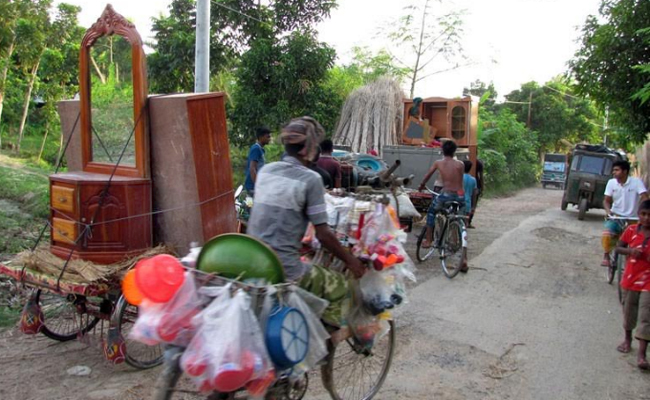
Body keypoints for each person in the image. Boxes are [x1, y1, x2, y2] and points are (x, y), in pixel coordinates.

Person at [247, 116, 365, 327]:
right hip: (285, 271)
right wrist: (351, 261)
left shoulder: (266, 172)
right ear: (308, 148)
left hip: (253, 263)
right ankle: (320, 342)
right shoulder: (311, 179)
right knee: (341, 286)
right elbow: (323, 234)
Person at [614, 199, 650, 370]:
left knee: (646, 316)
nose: (647, 218)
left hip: (648, 283)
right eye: (644, 214)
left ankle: (642, 354)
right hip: (630, 279)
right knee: (629, 312)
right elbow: (618, 248)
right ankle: (627, 339)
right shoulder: (631, 231)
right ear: (638, 215)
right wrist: (630, 251)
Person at [418, 141, 465, 258]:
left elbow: (427, 176)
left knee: (431, 212)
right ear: (455, 151)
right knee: (456, 216)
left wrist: (421, 185)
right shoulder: (460, 164)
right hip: (460, 196)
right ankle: (463, 258)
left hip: (446, 194)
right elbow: (459, 180)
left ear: (443, 150)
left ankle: (429, 240)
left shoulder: (438, 163)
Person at [602, 160, 648, 267]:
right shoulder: (611, 183)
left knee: (638, 239)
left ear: (625, 171)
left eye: (617, 170)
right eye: (613, 170)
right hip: (616, 216)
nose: (614, 172)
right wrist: (609, 212)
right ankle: (606, 255)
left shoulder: (636, 182)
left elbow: (645, 197)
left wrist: (642, 213)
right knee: (607, 234)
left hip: (633, 218)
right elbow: (606, 200)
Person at [244, 127, 271, 196]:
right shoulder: (256, 149)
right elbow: (252, 168)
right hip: (253, 186)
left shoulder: (260, 149)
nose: (269, 139)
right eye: (267, 137)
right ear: (261, 137)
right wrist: (258, 185)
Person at [468, 159, 483, 228]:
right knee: (473, 204)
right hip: (476, 184)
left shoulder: (465, 162)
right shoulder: (479, 163)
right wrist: (482, 187)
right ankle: (469, 221)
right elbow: (481, 176)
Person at [462, 160, 478, 226]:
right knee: (466, 223)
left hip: (459, 201)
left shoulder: (459, 177)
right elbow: (474, 194)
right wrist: (473, 206)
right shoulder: (473, 180)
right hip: (468, 203)